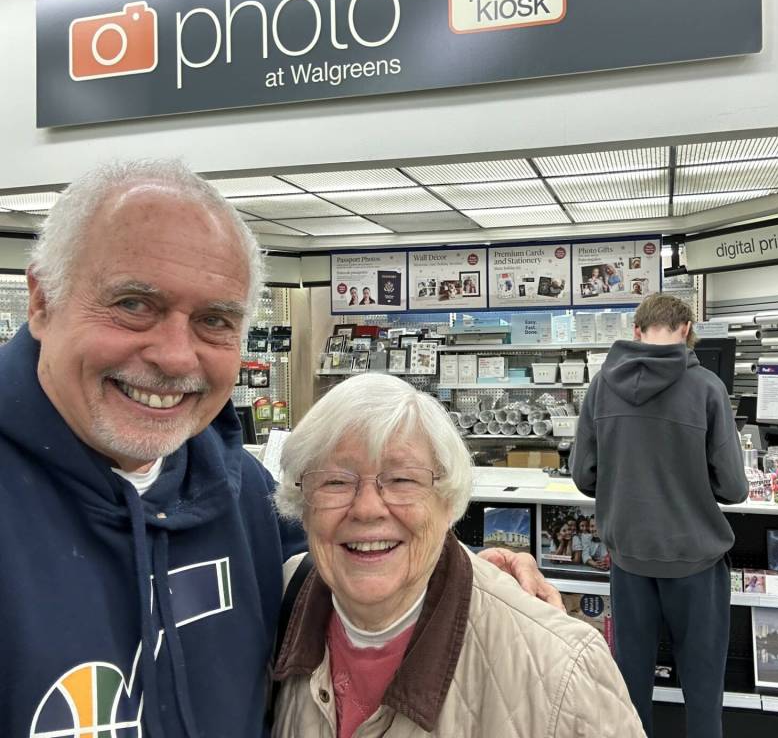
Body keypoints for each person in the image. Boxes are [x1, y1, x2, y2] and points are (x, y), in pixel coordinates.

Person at [0, 159, 558, 738]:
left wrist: (469, 573)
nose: (173, 357)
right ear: (41, 302)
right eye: (133, 304)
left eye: (215, 320)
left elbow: (348, 554)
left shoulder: (240, 492)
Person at [271, 373, 645, 737]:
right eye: (336, 481)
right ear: (301, 502)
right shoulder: (277, 605)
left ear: (448, 502)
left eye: (402, 479)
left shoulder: (564, 672)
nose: (367, 509)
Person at [570, 293, 748, 738]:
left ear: (636, 330)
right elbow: (734, 488)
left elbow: (583, 474)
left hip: (629, 557)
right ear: (686, 329)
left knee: (630, 684)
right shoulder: (708, 387)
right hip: (695, 559)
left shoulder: (601, 385)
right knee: (703, 688)